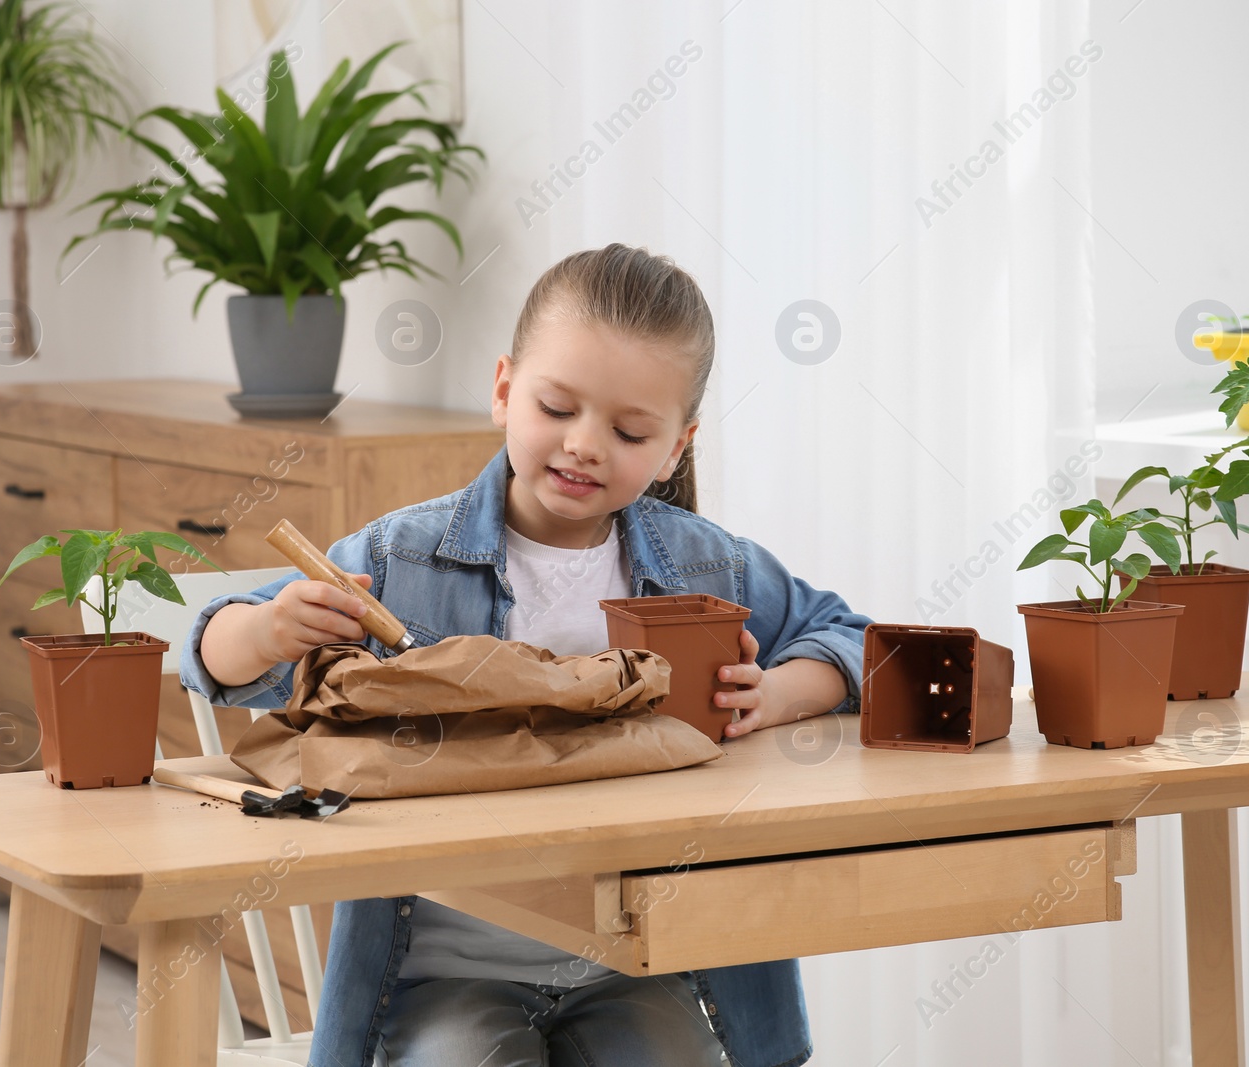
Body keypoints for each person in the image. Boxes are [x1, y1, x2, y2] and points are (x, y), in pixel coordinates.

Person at [180, 243, 873, 1067]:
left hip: (641, 961)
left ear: (675, 448)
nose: (584, 445)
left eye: (628, 430)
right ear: (506, 389)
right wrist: (268, 632)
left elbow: (852, 637)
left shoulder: (704, 564)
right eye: (557, 407)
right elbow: (217, 656)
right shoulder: (404, 556)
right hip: (440, 966)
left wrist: (779, 694)